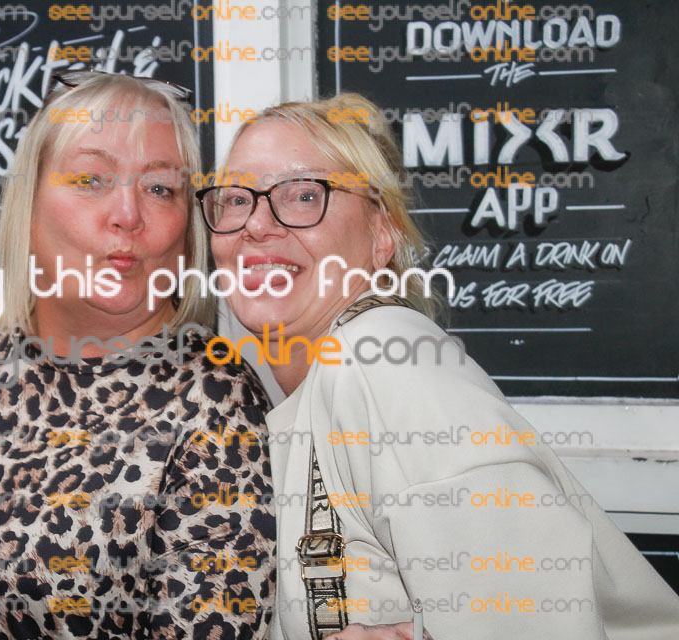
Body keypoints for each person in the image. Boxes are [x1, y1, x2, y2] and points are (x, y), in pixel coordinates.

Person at [203, 92, 679, 639]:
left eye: (305, 195)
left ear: (382, 234)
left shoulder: (379, 358)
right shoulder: (331, 376)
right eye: (235, 199)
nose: (257, 224)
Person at [0, 72, 276, 640]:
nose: (128, 214)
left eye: (160, 188)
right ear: (28, 201)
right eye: (90, 179)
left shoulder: (215, 399)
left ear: (187, 230)